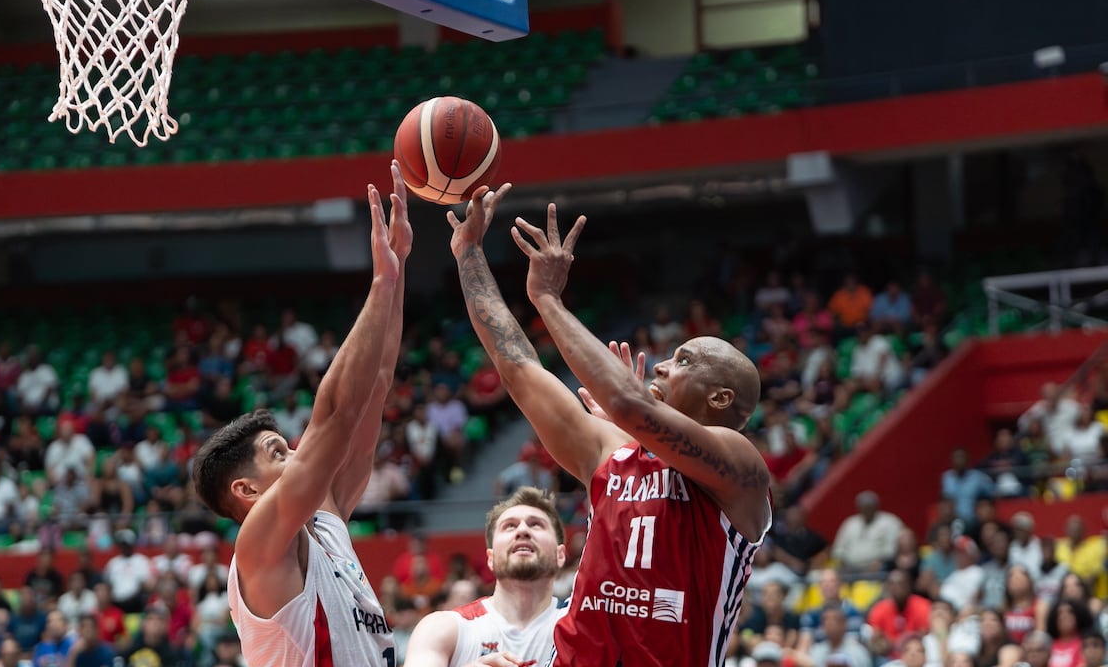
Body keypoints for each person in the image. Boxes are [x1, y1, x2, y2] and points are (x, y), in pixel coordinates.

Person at [448, 188, 771, 667]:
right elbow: (515, 368)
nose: (660, 366)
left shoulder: (739, 467)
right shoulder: (613, 452)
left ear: (720, 398)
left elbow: (627, 401)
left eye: (681, 360)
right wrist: (469, 254)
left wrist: (547, 301)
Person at [191, 164, 410, 667]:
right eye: (277, 452)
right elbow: (335, 412)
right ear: (246, 490)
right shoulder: (258, 547)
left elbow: (374, 387)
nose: (295, 450)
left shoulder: (324, 520)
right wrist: (380, 281)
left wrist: (397, 268)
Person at [403, 487, 567, 667]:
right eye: (509, 526)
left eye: (536, 524)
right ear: (491, 558)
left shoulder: (583, 624)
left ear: (560, 555)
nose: (522, 530)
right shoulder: (442, 628)